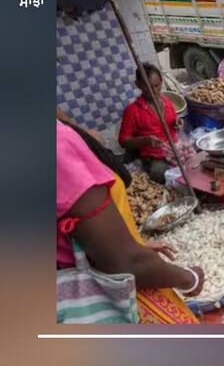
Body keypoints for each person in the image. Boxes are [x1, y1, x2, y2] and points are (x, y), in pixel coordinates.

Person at [57, 120, 204, 323]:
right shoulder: (58, 147)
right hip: (107, 296)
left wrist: (134, 243)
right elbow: (125, 263)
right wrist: (189, 279)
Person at [119, 63, 181, 184]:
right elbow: (123, 141)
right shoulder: (132, 110)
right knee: (160, 173)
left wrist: (177, 123)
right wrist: (145, 140)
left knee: (196, 163)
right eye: (148, 86)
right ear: (138, 85)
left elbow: (173, 121)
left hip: (175, 148)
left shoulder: (166, 101)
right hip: (155, 157)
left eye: (157, 86)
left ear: (161, 82)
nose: (154, 91)